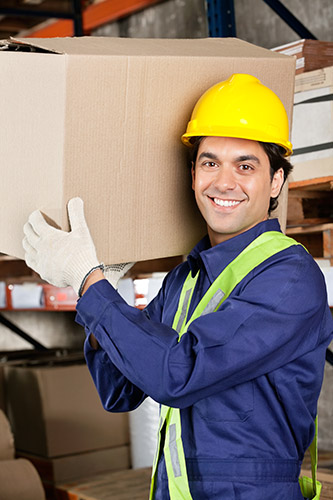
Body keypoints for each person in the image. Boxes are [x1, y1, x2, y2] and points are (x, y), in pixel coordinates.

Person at [23, 74, 333, 500]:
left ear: (276, 180)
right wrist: (102, 294)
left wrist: (90, 283)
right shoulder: (186, 279)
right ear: (192, 175)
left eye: (245, 165)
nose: (224, 182)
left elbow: (178, 375)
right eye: (210, 163)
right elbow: (120, 390)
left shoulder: (288, 279)